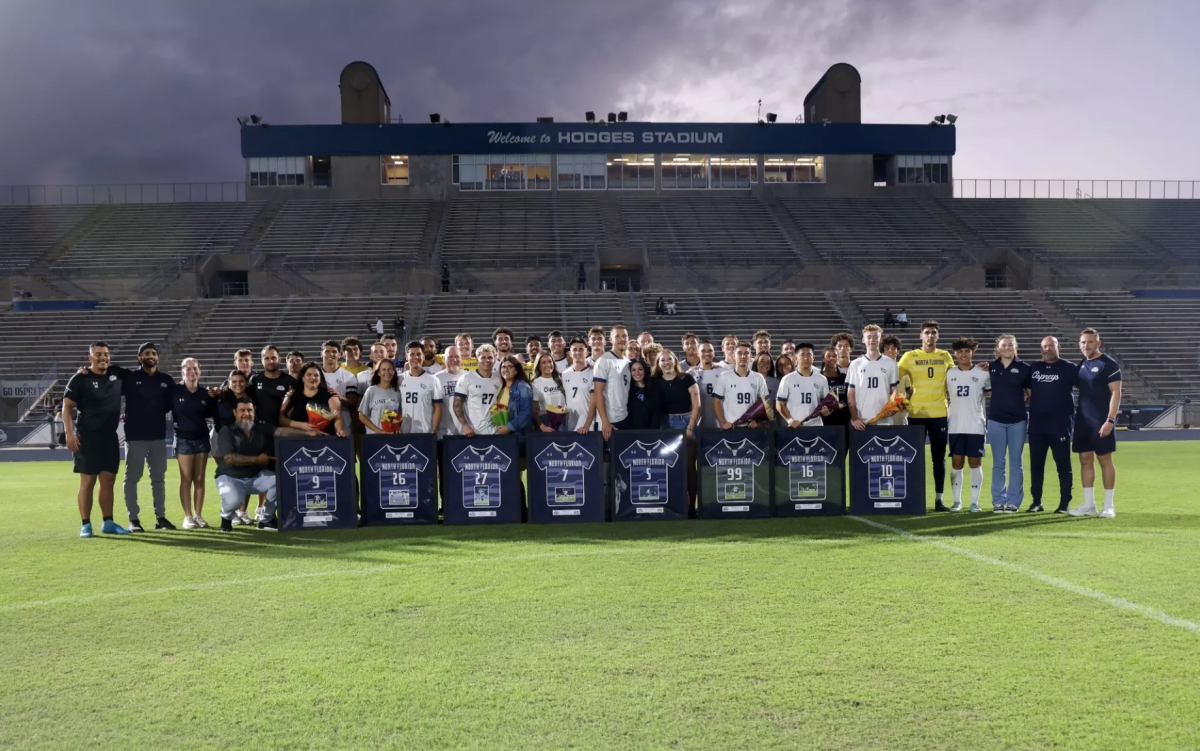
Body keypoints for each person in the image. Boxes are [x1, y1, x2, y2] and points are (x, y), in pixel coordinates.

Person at [62, 342, 131, 537]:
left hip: (109, 437)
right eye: (98, 354)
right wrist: (69, 433)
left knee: (108, 481)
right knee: (88, 481)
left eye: (106, 354)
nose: (103, 358)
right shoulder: (80, 378)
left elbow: (141, 376)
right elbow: (66, 407)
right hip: (86, 437)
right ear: (90, 358)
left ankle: (108, 522)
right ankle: (85, 524)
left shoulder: (117, 374)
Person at [213, 399, 310, 532]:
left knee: (280, 481)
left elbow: (281, 432)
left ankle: (266, 519)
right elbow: (230, 458)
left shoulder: (261, 428)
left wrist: (307, 433)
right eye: (242, 410)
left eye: (249, 410)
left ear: (254, 412)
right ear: (235, 412)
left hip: (255, 477)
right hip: (230, 477)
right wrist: (257, 460)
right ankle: (226, 516)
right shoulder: (226, 430)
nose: (246, 413)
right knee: (234, 501)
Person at [113, 342, 176, 532]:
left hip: (158, 436)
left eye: (154, 353)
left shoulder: (166, 380)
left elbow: (170, 403)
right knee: (132, 478)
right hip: (135, 437)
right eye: (146, 353)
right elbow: (109, 370)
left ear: (158, 357)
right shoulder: (130, 377)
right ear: (139, 357)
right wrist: (86, 370)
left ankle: (161, 518)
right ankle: (133, 519)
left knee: (159, 478)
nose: (151, 355)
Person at [898, 320, 955, 512]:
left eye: (933, 333)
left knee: (939, 459)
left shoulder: (945, 356)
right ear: (920, 336)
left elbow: (956, 378)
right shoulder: (909, 356)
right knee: (913, 458)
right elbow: (891, 376)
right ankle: (913, 497)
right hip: (916, 414)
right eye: (927, 332)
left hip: (939, 413)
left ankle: (939, 500)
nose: (930, 336)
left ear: (937, 336)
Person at [1069, 328, 1122, 518]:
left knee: (1105, 459)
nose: (1086, 345)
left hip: (1101, 421)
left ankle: (1109, 505)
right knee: (1085, 460)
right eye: (1083, 342)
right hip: (1083, 421)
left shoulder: (1108, 364)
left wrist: (1110, 420)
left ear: (1098, 343)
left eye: (1090, 342)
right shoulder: (1082, 364)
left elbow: (1116, 393)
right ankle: (1088, 504)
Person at [1028, 336, 1078, 514]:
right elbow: (1023, 388)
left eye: (1051, 346)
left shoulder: (1070, 368)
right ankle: (1036, 502)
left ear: (1059, 347)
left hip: (1060, 424)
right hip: (1036, 425)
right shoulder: (1033, 368)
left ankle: (1064, 503)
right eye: (1044, 346)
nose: (1048, 349)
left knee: (1063, 465)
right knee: (1036, 465)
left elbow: (1087, 387)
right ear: (1041, 349)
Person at [987, 334, 1032, 513]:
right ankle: (998, 500)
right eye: (1003, 345)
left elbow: (1030, 391)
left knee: (1016, 463)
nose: (1007, 348)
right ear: (998, 348)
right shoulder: (989, 368)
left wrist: (1026, 396)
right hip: (996, 420)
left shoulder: (1024, 368)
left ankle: (1014, 501)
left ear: (1015, 347)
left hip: (1017, 421)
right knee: (998, 462)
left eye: (1010, 345)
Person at [946, 338, 990, 512]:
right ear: (955, 354)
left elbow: (993, 392)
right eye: (960, 351)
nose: (964, 355)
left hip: (975, 425)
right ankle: (957, 502)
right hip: (955, 424)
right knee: (956, 462)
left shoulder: (983, 372)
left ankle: (974, 502)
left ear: (973, 352)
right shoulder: (949, 373)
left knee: (975, 462)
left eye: (967, 351)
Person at [172, 357, 217, 529]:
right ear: (182, 371)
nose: (192, 371)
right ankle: (187, 516)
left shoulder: (206, 394)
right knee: (186, 478)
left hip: (202, 439)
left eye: (195, 368)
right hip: (183, 439)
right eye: (188, 369)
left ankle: (198, 515)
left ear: (200, 370)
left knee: (199, 479)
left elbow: (214, 414)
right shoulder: (175, 391)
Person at [847, 325, 899, 430]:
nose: (872, 340)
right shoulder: (855, 364)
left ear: (880, 339)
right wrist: (855, 418)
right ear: (863, 340)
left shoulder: (891, 363)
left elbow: (894, 392)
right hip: (862, 421)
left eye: (875, 337)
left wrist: (894, 408)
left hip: (884, 419)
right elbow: (851, 395)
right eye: (869, 337)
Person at [280, 362, 348, 438]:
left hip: (325, 439)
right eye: (309, 375)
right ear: (303, 378)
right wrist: (301, 425)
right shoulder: (293, 395)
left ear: (320, 378)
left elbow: (337, 416)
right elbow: (281, 418)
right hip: (298, 440)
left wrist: (340, 430)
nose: (313, 378)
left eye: (316, 375)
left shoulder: (330, 394)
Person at [714, 342, 770, 429]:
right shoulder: (724, 377)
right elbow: (716, 402)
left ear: (750, 357)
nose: (743, 356)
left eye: (746, 353)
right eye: (739, 353)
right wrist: (723, 422)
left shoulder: (758, 377)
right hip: (731, 427)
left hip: (751, 428)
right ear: (734, 356)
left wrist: (758, 421)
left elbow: (765, 403)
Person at [454, 345, 503, 437]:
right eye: (483, 357)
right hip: (473, 432)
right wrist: (464, 425)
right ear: (477, 359)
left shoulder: (499, 380)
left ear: (495, 359)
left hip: (495, 430)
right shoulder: (466, 378)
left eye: (490, 357)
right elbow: (457, 405)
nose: (487, 360)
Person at [776, 343, 830, 427]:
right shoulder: (787, 379)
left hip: (816, 425)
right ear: (796, 357)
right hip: (794, 426)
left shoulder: (822, 379)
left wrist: (827, 411)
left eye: (809, 354)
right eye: (802, 355)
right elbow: (779, 404)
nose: (806, 358)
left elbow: (827, 405)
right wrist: (790, 421)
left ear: (813, 357)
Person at [593, 325, 632, 440]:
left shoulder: (627, 362)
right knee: (607, 457)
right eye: (617, 336)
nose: (622, 339)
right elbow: (598, 393)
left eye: (624, 336)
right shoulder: (604, 360)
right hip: (609, 421)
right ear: (611, 340)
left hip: (624, 417)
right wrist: (605, 422)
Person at [400, 341, 443, 434]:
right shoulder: (399, 379)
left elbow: (438, 406)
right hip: (403, 432)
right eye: (412, 354)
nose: (416, 357)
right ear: (406, 357)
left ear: (423, 356)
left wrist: (434, 429)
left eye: (419, 354)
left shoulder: (433, 380)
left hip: (425, 432)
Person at [250, 345, 297, 429]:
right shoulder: (255, 379)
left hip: (284, 430)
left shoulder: (290, 381)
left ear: (279, 359)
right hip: (261, 430)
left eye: (273, 358)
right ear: (262, 360)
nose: (270, 361)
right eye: (266, 358)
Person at [655, 349, 699, 434]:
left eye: (669, 359)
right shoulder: (655, 382)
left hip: (685, 421)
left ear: (675, 361)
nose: (666, 362)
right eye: (662, 360)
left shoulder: (687, 378)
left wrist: (690, 426)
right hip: (664, 423)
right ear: (658, 364)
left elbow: (696, 404)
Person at [561, 338, 597, 433]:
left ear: (587, 352)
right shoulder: (564, 374)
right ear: (570, 353)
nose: (578, 352)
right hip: (569, 425)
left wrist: (586, 425)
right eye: (574, 349)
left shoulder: (593, 373)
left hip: (588, 427)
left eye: (581, 349)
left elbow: (594, 403)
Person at [689, 341, 727, 430]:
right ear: (698, 353)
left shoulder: (724, 372)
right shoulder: (691, 374)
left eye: (710, 351)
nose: (707, 353)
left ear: (713, 353)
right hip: (700, 423)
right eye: (703, 351)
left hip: (722, 422)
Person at [496, 355, 534, 442]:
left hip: (518, 435)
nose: (506, 370)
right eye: (503, 367)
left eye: (510, 367)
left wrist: (509, 427)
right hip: (502, 434)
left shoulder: (523, 387)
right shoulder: (499, 387)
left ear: (516, 370)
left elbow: (526, 412)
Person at [358, 358, 401, 434]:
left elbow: (398, 416)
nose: (387, 372)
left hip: (392, 437)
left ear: (394, 372)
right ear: (379, 373)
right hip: (374, 437)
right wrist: (378, 431)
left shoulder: (397, 392)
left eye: (389, 369)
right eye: (383, 369)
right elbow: (361, 416)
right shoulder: (371, 390)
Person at [531, 352, 568, 433]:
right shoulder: (536, 383)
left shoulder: (561, 379)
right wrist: (542, 426)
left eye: (550, 361)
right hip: (545, 423)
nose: (548, 365)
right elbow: (534, 411)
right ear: (539, 367)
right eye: (544, 363)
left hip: (562, 423)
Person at [435, 346, 465, 439]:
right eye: (450, 357)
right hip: (444, 430)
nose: (454, 359)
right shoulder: (436, 379)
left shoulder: (468, 377)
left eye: (457, 356)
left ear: (461, 359)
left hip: (465, 430)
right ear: (444, 359)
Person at [626, 360, 663, 430]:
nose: (637, 373)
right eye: (633, 370)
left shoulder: (654, 387)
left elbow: (657, 412)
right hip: (631, 432)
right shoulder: (627, 389)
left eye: (640, 369)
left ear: (645, 370)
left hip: (651, 431)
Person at [820, 347, 851, 427]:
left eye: (834, 356)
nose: (832, 358)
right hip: (824, 421)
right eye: (828, 356)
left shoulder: (845, 378)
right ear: (823, 359)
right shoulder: (818, 378)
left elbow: (850, 398)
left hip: (844, 420)